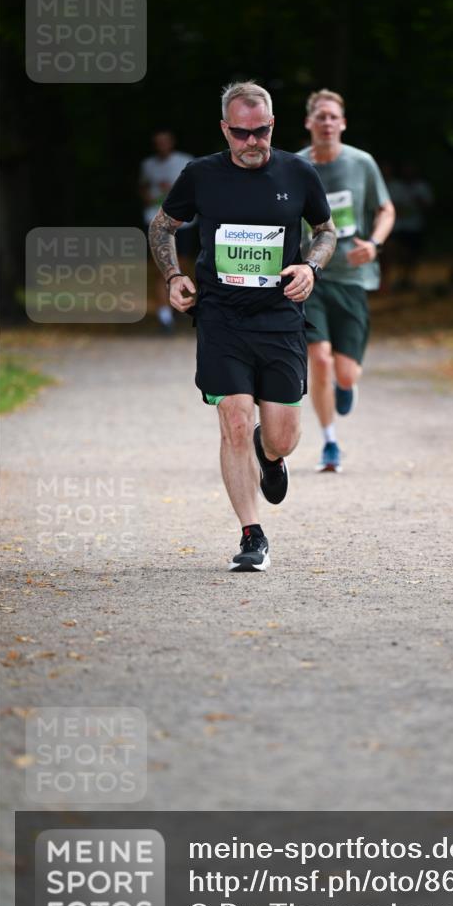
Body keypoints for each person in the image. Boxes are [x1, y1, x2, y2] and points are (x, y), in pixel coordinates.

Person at [148, 82, 336, 571]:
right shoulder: (200, 175)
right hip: (220, 317)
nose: (252, 142)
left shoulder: (298, 173)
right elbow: (162, 226)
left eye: (262, 131)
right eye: (241, 133)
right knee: (234, 418)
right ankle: (252, 535)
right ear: (224, 130)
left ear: (273, 125)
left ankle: (269, 457)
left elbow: (326, 231)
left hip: (279, 320)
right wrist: (173, 276)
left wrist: (310, 268)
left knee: (282, 437)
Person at [298, 89, 395, 472]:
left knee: (345, 371)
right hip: (312, 276)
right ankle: (330, 442)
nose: (326, 123)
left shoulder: (361, 163)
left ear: (343, 123)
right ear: (309, 123)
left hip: (353, 277)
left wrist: (374, 244)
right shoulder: (296, 166)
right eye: (320, 116)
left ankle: (346, 384)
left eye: (333, 117)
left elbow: (385, 209)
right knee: (318, 360)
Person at [140, 130, 197, 332]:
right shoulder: (148, 165)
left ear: (171, 142)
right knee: (160, 269)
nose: (161, 145)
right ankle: (165, 317)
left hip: (183, 223)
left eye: (165, 142)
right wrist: (150, 197)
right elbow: (144, 188)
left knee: (182, 266)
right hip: (155, 221)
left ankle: (181, 308)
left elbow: (194, 189)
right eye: (158, 142)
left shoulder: (185, 161)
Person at [387, 162, 434, 290]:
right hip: (397, 227)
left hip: (415, 226)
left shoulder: (422, 186)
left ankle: (409, 279)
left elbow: (428, 207)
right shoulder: (395, 186)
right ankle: (398, 278)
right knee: (398, 253)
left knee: (412, 254)